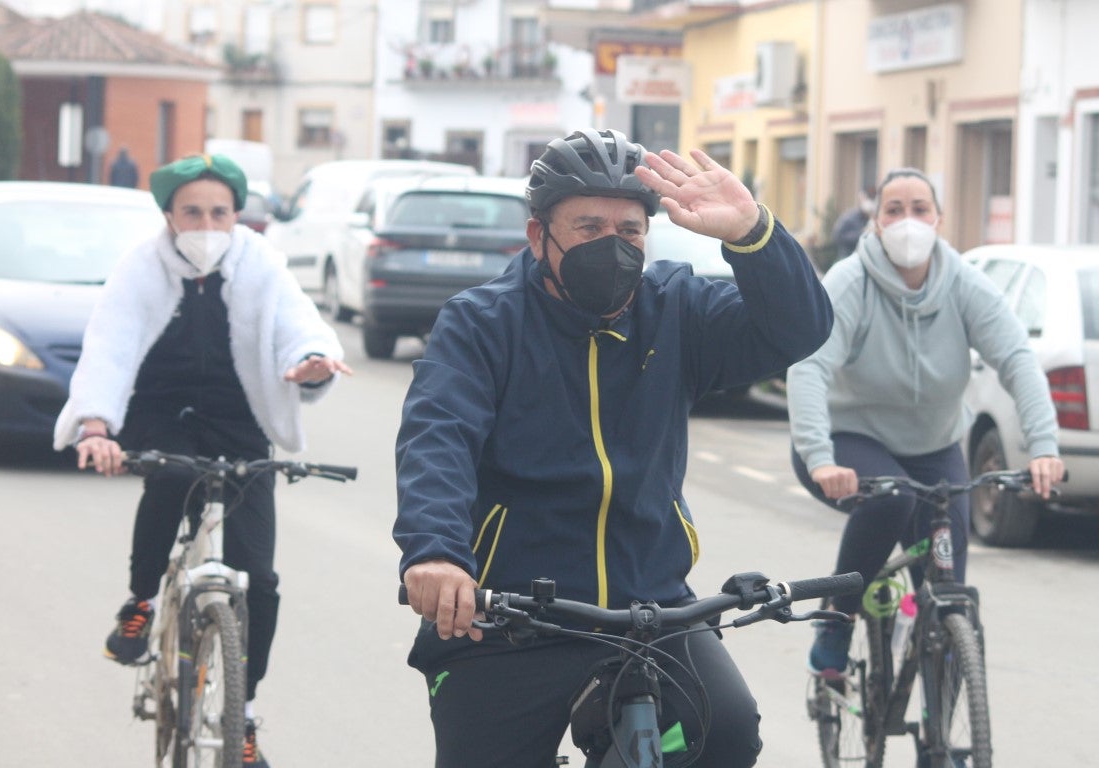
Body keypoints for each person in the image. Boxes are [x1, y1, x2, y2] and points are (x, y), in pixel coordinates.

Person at [393, 128, 833, 768]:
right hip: (511, 614)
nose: (613, 245)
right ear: (538, 236)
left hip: (650, 604)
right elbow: (438, 438)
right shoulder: (481, 323)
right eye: (589, 226)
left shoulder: (676, 308)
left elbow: (799, 328)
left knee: (729, 731)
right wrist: (436, 555)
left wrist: (752, 234)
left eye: (629, 231)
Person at [53, 153, 353, 767]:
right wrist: (95, 425)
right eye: (193, 211)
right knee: (173, 478)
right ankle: (140, 603)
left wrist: (315, 357)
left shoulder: (260, 262)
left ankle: (241, 714)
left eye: (220, 211)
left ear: (237, 214)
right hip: (162, 414)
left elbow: (300, 324)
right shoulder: (141, 266)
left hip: (239, 422)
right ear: (169, 214)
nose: (207, 223)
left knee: (261, 583)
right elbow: (108, 345)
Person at [787, 167, 1064, 676]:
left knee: (948, 598)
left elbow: (1018, 360)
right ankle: (837, 616)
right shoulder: (850, 282)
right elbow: (810, 366)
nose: (907, 221)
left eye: (920, 209)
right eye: (894, 210)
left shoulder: (963, 284)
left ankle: (948, 749)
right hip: (846, 439)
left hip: (934, 447)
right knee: (893, 498)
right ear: (875, 222)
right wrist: (820, 458)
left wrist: (1044, 446)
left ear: (939, 219)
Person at [830, 186, 876, 259]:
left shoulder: (872, 219)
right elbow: (837, 236)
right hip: (847, 257)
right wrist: (861, 234)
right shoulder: (849, 217)